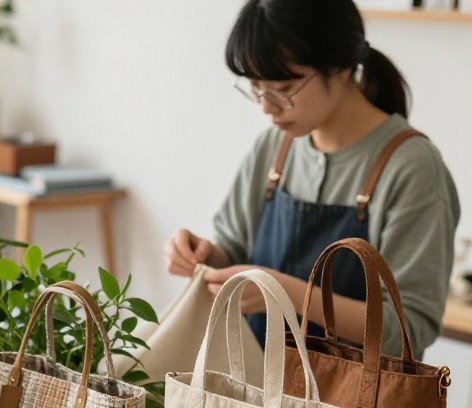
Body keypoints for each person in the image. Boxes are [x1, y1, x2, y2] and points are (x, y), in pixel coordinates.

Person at [164, 0, 460, 358]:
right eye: (256, 87)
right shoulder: (276, 147)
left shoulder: (412, 167)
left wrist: (287, 294)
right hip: (257, 397)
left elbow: (407, 330)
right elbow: (235, 248)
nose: (266, 107)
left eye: (284, 88)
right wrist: (206, 254)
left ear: (339, 68)